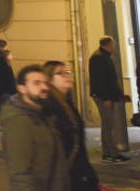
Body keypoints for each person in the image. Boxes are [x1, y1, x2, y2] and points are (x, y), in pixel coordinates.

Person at [0, 64, 68, 191]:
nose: (44, 87)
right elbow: (20, 174)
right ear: (22, 88)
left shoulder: (43, 115)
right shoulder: (19, 122)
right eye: (36, 83)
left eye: (44, 83)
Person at [42, 61, 99, 190]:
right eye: (60, 73)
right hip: (67, 176)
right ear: (49, 79)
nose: (67, 76)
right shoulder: (49, 107)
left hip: (79, 172)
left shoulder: (67, 102)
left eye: (68, 72)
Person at [89, 36, 131, 162]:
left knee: (107, 125)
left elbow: (110, 79)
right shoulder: (99, 58)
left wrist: (120, 95)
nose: (114, 48)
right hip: (103, 97)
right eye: (113, 45)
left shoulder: (103, 57)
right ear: (106, 45)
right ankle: (111, 154)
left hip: (105, 96)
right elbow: (100, 80)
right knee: (108, 125)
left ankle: (108, 153)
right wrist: (106, 98)